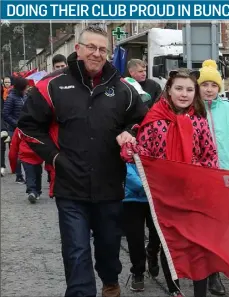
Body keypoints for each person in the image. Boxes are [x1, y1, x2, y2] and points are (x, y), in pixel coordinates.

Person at [17, 25, 147, 297]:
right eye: (91, 47)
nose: (97, 54)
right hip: (69, 185)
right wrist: (55, 158)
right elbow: (28, 126)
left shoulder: (124, 89)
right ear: (78, 49)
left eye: (102, 49)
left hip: (110, 185)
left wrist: (129, 131)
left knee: (109, 247)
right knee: (76, 251)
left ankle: (110, 282)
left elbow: (141, 119)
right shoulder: (52, 85)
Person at [121, 68, 219, 297]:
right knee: (169, 243)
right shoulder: (154, 119)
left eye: (189, 89)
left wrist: (197, 174)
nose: (184, 94)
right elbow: (144, 153)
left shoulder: (199, 121)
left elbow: (210, 156)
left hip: (194, 193)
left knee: (198, 247)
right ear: (169, 90)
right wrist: (130, 149)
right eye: (179, 88)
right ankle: (174, 289)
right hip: (165, 194)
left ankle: (199, 292)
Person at [197, 59, 229, 295]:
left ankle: (215, 273)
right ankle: (203, 272)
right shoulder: (193, 108)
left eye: (213, 84)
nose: (210, 89)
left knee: (220, 227)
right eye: (205, 85)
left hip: (224, 174)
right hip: (200, 175)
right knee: (203, 226)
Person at [123, 162, 161, 292]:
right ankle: (138, 272)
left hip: (154, 196)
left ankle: (152, 251)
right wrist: (145, 185)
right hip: (131, 197)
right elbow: (124, 166)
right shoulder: (126, 141)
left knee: (157, 234)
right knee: (135, 238)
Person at [3, 76, 28, 183]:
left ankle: (28, 175)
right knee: (17, 153)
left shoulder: (25, 96)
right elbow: (5, 114)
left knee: (26, 153)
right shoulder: (11, 97)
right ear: (21, 87)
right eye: (25, 87)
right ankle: (19, 175)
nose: (27, 89)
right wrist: (16, 124)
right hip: (14, 129)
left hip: (26, 128)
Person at [8, 127, 43, 203]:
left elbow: (14, 146)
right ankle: (36, 191)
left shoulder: (19, 128)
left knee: (30, 174)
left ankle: (32, 191)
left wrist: (13, 167)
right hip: (38, 153)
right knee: (37, 173)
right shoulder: (42, 124)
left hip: (25, 154)